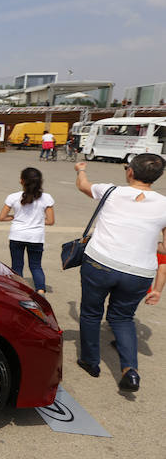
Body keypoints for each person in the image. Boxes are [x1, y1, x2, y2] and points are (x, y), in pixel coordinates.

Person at [74, 155, 166, 392]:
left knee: (91, 313)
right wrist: (158, 285)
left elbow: (83, 186)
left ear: (130, 173)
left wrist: (81, 170)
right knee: (122, 318)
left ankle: (91, 362)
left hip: (100, 263)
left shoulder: (110, 192)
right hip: (139, 271)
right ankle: (130, 370)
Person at [0, 167, 55, 294]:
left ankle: (19, 292)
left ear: (21, 181)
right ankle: (40, 292)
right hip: (36, 237)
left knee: (17, 266)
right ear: (40, 181)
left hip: (17, 236)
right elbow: (50, 221)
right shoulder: (46, 198)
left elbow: (1, 217)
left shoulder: (13, 197)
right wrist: (38, 221)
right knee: (35, 266)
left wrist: (15, 217)